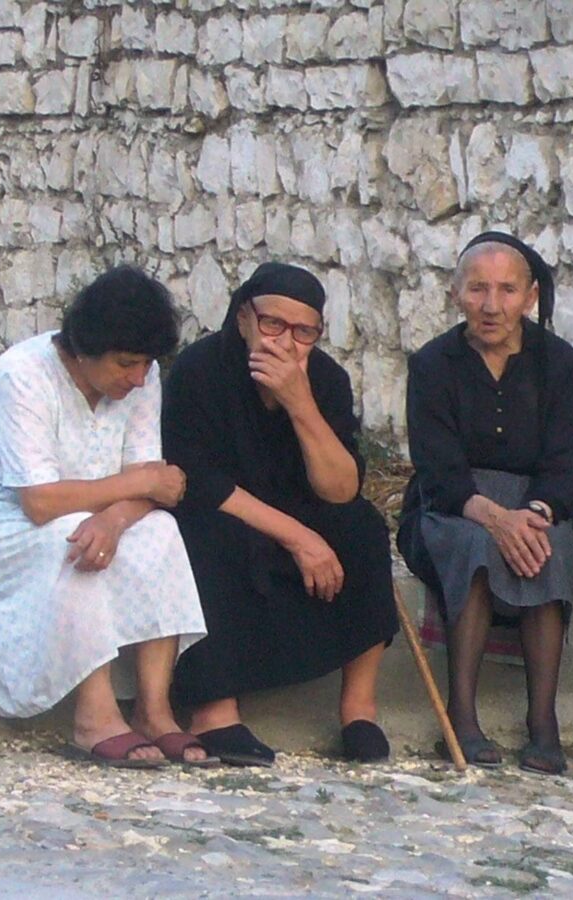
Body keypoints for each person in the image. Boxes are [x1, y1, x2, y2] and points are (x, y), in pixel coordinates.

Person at [0, 266, 211, 768]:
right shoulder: (23, 376)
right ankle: (93, 716)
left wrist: (117, 517)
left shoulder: (143, 378)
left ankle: (154, 709)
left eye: (145, 364)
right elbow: (39, 501)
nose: (137, 378)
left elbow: (154, 484)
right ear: (84, 349)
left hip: (93, 511)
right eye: (125, 364)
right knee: (69, 536)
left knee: (160, 531)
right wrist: (136, 489)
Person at [162, 262, 399, 766]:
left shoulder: (326, 379)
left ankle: (359, 709)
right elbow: (198, 479)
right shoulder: (199, 371)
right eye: (273, 325)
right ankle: (214, 710)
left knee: (362, 528)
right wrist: (297, 537)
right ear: (245, 317)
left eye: (303, 332)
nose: (287, 343)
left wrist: (300, 405)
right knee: (203, 536)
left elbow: (341, 488)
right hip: (223, 509)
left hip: (299, 506)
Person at [397, 232, 573, 774]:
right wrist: (495, 518)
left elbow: (567, 462)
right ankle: (461, 716)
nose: (491, 305)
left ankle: (544, 724)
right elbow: (439, 469)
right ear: (455, 294)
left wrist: (533, 515)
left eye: (507, 290)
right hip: (453, 506)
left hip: (535, 503)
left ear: (529, 296)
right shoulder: (433, 364)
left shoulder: (561, 363)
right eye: (477, 289)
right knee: (477, 546)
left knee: (546, 544)